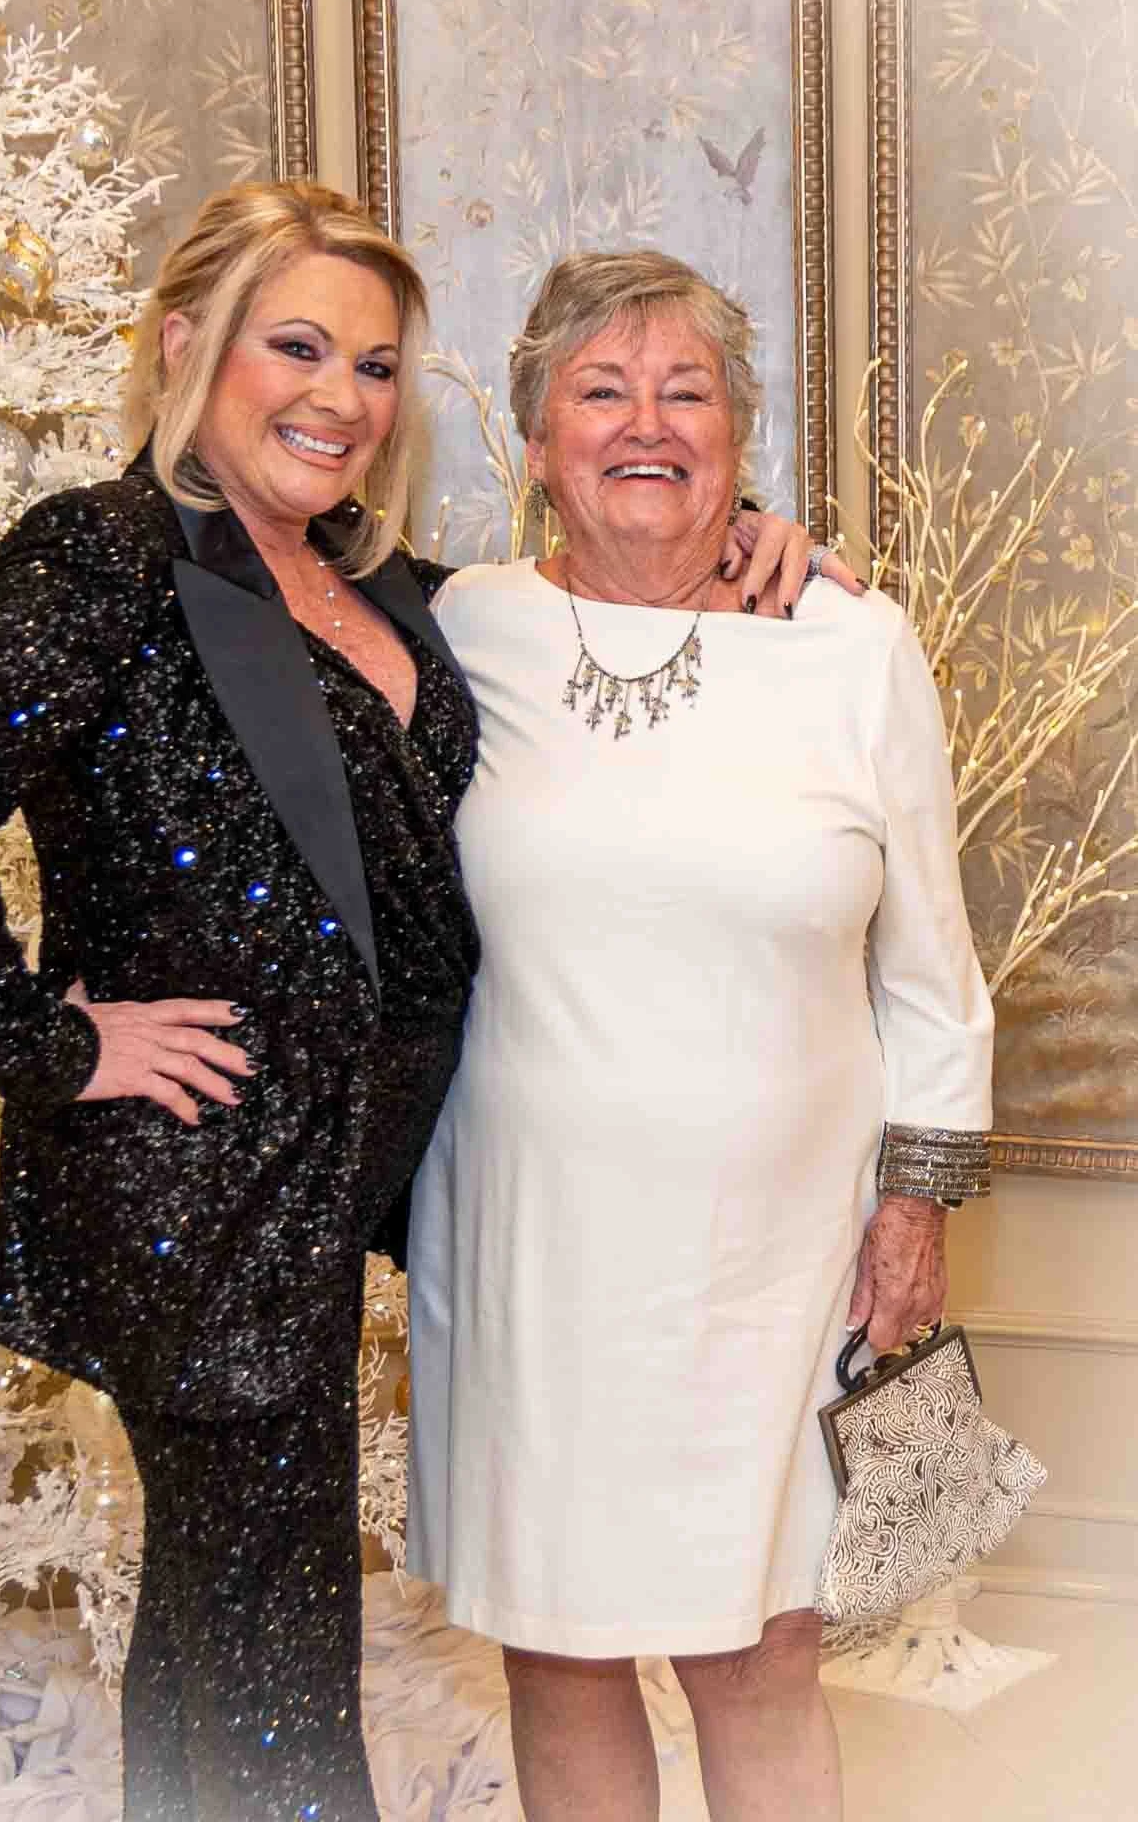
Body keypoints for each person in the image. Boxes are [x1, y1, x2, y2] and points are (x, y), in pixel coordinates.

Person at [0, 184, 848, 1822]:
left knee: (263, 1632)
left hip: (341, 1192)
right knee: (260, 1654)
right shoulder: (112, 554)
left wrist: (741, 543)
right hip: (205, 1193)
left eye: (375, 368)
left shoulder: (388, 593)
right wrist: (57, 1045)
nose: (340, 398)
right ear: (187, 350)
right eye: (295, 347)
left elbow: (594, 626)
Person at [406, 249, 995, 1822]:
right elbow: (247, 567)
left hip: (783, 1254)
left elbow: (932, 967)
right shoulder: (454, 634)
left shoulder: (850, 643)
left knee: (764, 1649)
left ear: (740, 437)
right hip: (535, 1247)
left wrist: (915, 1205)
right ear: (534, 442)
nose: (645, 424)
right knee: (561, 1653)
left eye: (689, 393)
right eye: (600, 391)